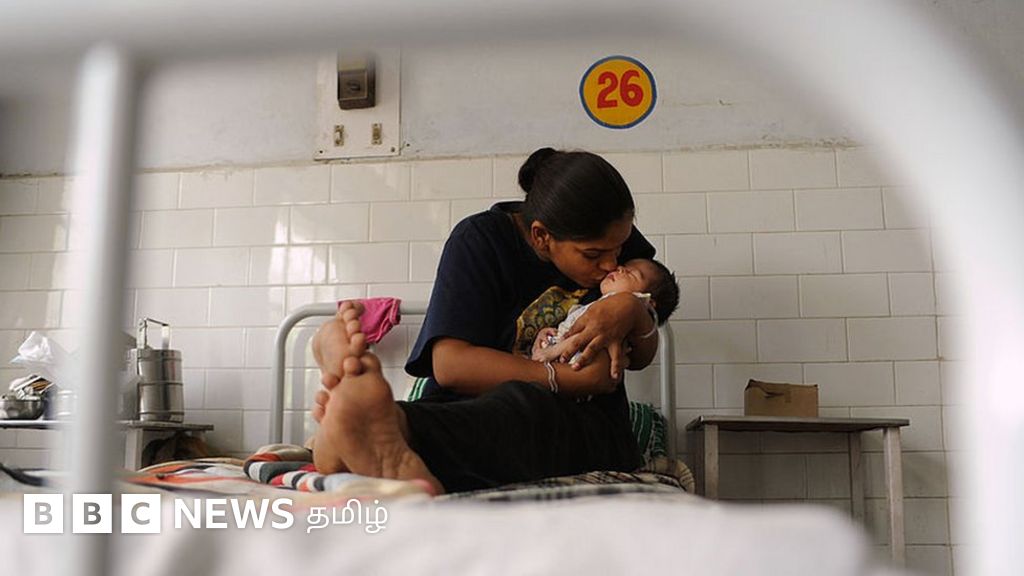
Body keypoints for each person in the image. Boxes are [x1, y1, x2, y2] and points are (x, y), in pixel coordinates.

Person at [311, 147, 662, 495]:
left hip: (584, 422)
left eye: (619, 249)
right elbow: (450, 365)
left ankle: (371, 436)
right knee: (499, 409)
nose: (611, 264)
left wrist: (633, 310)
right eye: (593, 254)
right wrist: (565, 379)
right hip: (476, 407)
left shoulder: (613, 236)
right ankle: (375, 428)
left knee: (528, 412)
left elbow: (642, 357)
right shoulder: (481, 240)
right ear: (541, 236)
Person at [530, 257, 679, 366]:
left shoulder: (622, 316)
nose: (619, 268)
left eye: (630, 273)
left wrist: (551, 351)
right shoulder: (599, 303)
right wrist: (547, 335)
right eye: (624, 266)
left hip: (569, 368)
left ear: (645, 300)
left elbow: (583, 338)